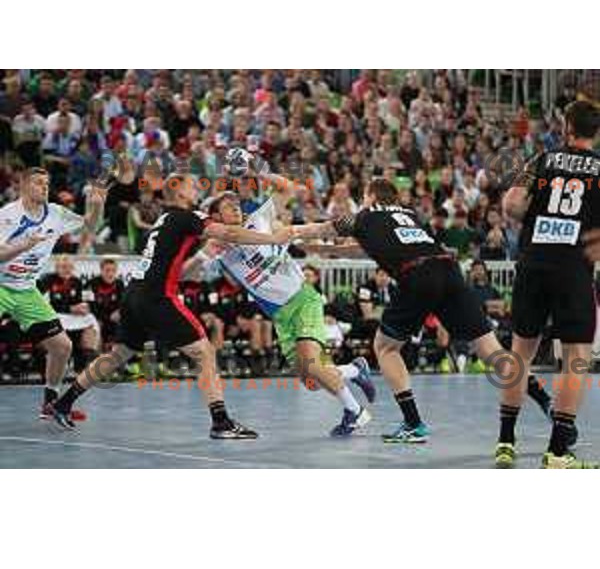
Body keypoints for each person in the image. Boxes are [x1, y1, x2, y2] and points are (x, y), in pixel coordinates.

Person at [50, 172, 295, 439]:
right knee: (205, 352)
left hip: (134, 294)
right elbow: (227, 231)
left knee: (117, 356)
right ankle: (221, 422)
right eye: (192, 184)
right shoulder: (186, 216)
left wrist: (210, 245)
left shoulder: (165, 217)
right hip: (157, 296)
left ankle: (63, 403)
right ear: (179, 193)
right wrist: (272, 239)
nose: (197, 187)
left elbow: (195, 248)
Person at [294, 178, 511, 444]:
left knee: (385, 347)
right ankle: (546, 403)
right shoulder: (409, 215)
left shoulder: (366, 215)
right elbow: (362, 248)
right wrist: (314, 249)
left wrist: (287, 233)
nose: (363, 200)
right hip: (449, 270)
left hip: (419, 275)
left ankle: (412, 422)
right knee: (490, 348)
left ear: (372, 196)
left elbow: (326, 228)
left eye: (364, 195)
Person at [186, 151, 376, 437]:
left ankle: (355, 411)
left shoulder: (259, 219)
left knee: (313, 365)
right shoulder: (220, 247)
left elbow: (287, 187)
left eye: (237, 203)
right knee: (308, 376)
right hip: (279, 315)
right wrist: (203, 254)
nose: (235, 207)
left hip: (302, 299)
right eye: (227, 206)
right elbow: (187, 274)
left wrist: (256, 169)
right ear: (215, 218)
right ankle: (352, 370)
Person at [499, 100, 600, 468]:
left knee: (520, 353)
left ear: (567, 127)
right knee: (576, 359)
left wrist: (540, 217)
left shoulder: (542, 161)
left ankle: (505, 441)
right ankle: (558, 451)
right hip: (573, 269)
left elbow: (512, 205)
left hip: (533, 263)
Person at [0, 167, 106, 420]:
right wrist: (24, 245)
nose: (45, 187)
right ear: (24, 185)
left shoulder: (56, 214)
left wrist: (96, 206)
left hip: (26, 290)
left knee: (62, 346)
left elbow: (89, 227)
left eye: (47, 184)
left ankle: (51, 403)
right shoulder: (7, 215)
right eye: (38, 183)